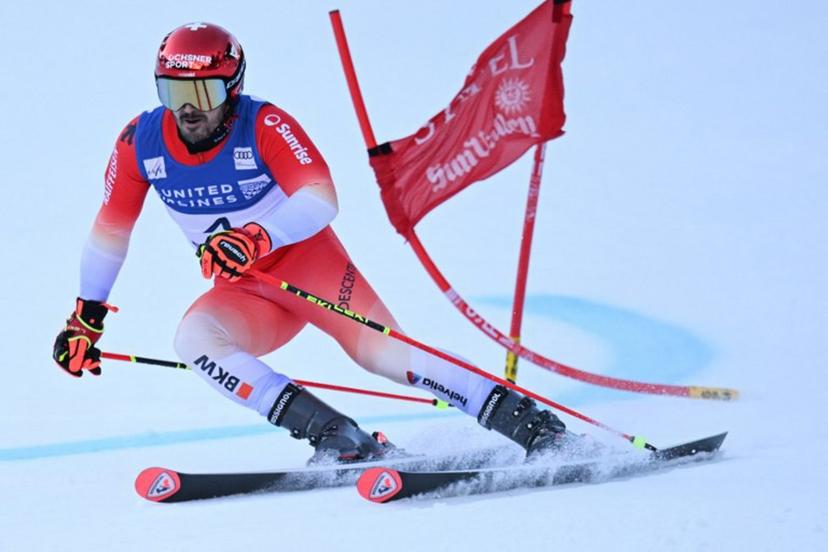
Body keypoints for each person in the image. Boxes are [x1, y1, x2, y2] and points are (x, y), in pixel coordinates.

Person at [52, 22, 568, 463]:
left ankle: (536, 428)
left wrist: (258, 236)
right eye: (172, 93)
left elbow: (321, 197)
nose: (187, 111)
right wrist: (86, 317)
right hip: (247, 295)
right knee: (194, 342)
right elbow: (110, 232)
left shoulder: (264, 123)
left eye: (203, 94)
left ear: (232, 87)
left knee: (386, 357)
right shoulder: (139, 141)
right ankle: (339, 439)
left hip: (306, 268)